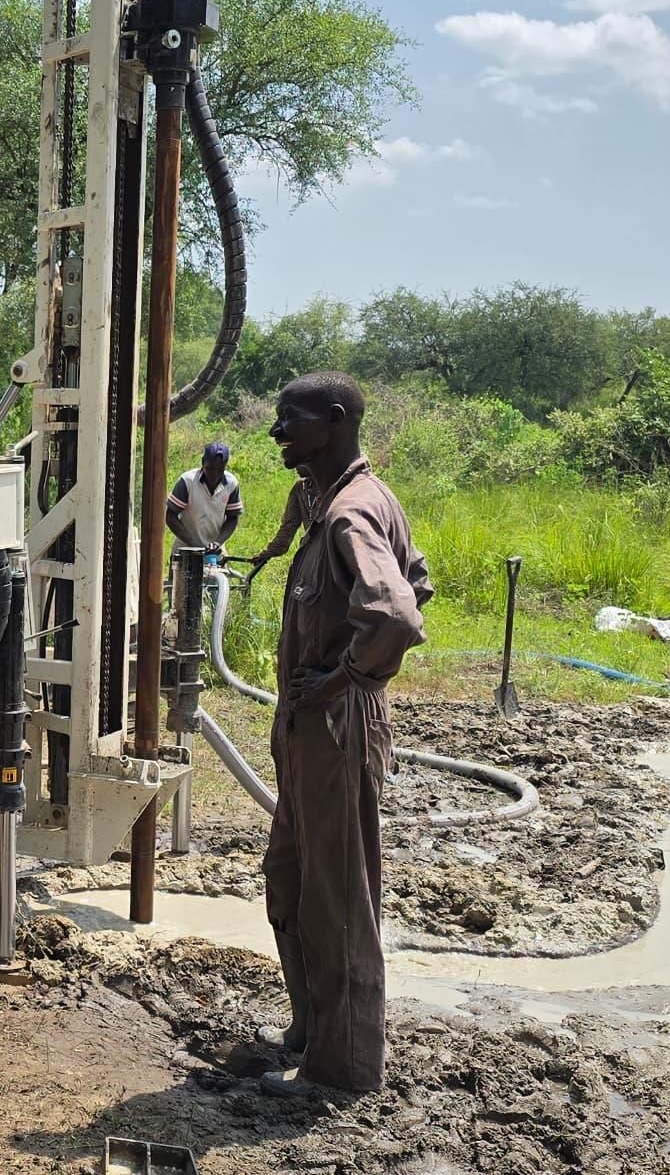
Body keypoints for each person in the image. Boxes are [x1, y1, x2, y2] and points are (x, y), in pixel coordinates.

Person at [257, 371, 431, 1101]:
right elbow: (418, 579)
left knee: (337, 897)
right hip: (313, 729)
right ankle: (310, 1032)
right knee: (291, 877)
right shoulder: (332, 500)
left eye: (290, 420)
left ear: (333, 420)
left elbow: (396, 614)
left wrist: (338, 680)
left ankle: (342, 1070)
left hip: (335, 727)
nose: (277, 433)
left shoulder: (353, 513)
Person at [166, 441, 243, 551]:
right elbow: (170, 516)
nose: (215, 474)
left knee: (219, 569)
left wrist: (217, 543)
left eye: (220, 470)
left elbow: (232, 518)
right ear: (202, 462)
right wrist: (195, 545)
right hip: (186, 549)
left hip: (215, 552)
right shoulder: (188, 482)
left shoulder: (231, 484)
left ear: (226, 465)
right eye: (210, 468)